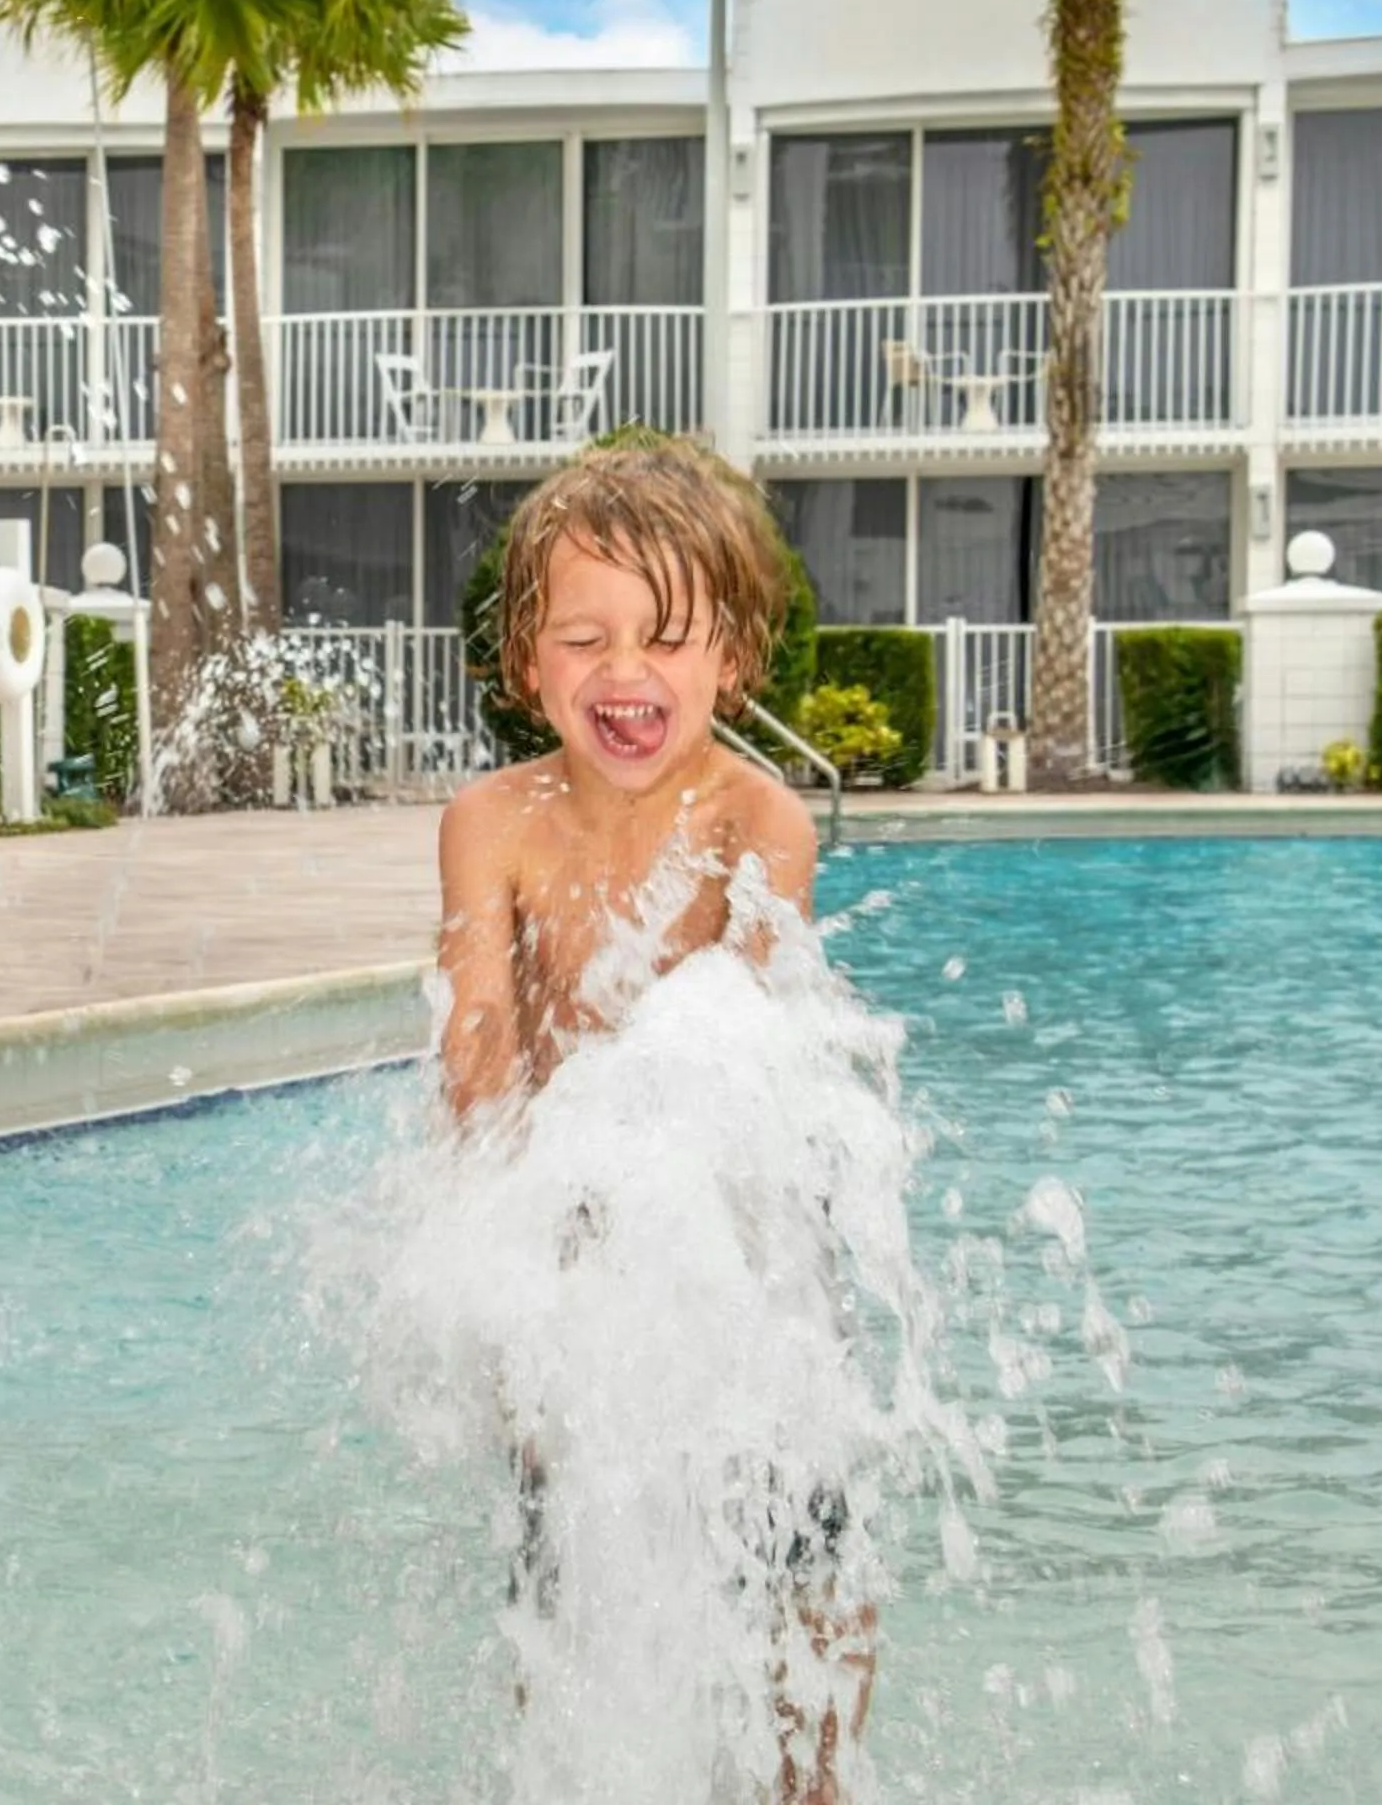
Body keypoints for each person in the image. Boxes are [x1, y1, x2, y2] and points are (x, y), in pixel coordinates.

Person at [432, 434, 867, 1802]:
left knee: (806, 1597)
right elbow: (480, 1049)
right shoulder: (491, 822)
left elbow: (733, 1057)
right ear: (529, 663)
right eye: (588, 637)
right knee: (559, 1587)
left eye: (668, 638)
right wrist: (513, 1268)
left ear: (730, 658)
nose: (629, 672)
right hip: (560, 1247)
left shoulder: (761, 817)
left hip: (741, 1261)